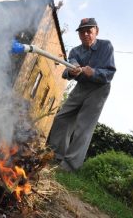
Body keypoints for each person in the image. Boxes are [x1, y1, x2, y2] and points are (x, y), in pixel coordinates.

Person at [47, 18, 116, 172]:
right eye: (82, 32)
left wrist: (95, 72)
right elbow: (66, 71)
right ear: (78, 34)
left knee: (84, 126)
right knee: (62, 118)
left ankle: (69, 166)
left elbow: (110, 73)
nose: (85, 34)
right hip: (81, 86)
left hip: (99, 88)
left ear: (96, 31)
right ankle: (56, 156)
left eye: (89, 31)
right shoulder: (75, 51)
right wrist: (71, 71)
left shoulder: (106, 46)